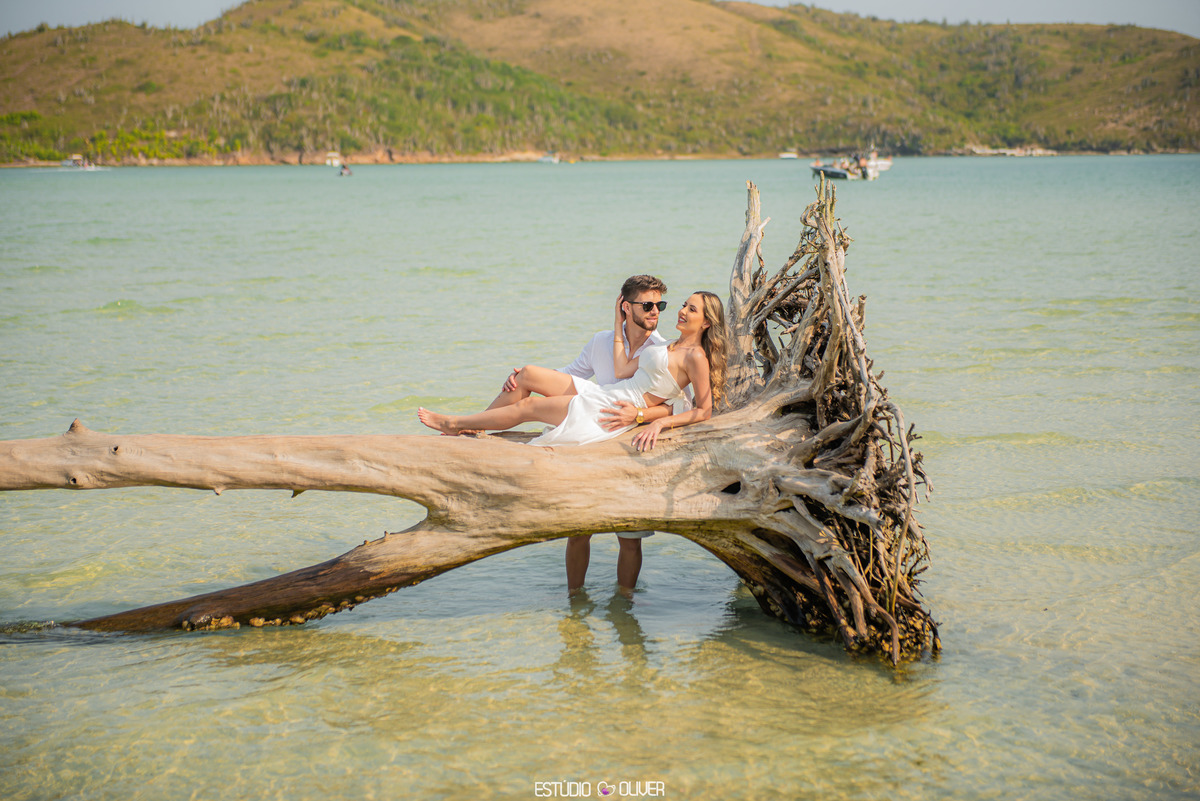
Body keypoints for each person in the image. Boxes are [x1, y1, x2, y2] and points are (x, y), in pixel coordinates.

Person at [416, 285, 729, 593]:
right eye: (683, 304)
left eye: (690, 308)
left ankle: (457, 423)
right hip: (607, 395)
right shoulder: (667, 346)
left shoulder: (696, 357)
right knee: (527, 380)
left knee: (530, 407)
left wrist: (649, 421)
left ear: (706, 322)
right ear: (627, 307)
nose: (678, 310)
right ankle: (473, 429)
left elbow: (701, 410)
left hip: (615, 412)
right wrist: (616, 324)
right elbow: (621, 368)